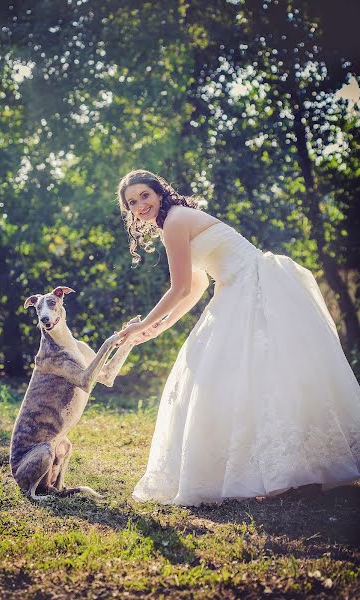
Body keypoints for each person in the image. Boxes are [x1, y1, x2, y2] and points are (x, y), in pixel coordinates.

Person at [116, 169, 360, 506]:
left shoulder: (175, 220)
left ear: (159, 192)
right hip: (239, 286)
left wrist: (142, 325)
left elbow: (180, 287)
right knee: (254, 376)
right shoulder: (175, 221)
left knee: (249, 374)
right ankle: (284, 471)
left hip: (252, 286)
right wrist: (157, 328)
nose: (141, 204)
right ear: (128, 210)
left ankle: (294, 470)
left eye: (145, 195)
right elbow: (197, 286)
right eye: (133, 201)